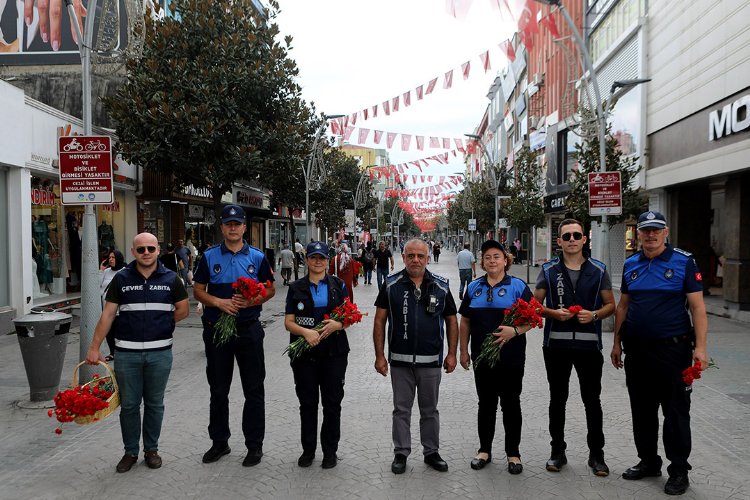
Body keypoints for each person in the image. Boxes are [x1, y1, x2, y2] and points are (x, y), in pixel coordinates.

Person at [611, 211, 708, 496]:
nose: (650, 236)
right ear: (638, 234)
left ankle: (678, 470)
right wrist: (617, 343)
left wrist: (700, 348)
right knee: (641, 410)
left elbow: (698, 308)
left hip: (673, 351)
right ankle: (648, 462)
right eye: (645, 231)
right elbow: (623, 307)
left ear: (665, 232)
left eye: (656, 230)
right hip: (638, 351)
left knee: (675, 412)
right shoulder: (631, 264)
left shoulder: (684, 262)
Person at [85, 232, 189, 473]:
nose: (146, 253)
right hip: (126, 355)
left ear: (158, 250)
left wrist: (161, 324)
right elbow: (108, 314)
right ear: (133, 251)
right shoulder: (121, 279)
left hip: (160, 353)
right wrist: (93, 347)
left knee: (155, 404)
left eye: (151, 249)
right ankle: (130, 451)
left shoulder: (171, 279)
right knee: (130, 405)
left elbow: (183, 310)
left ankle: (151, 450)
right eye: (141, 249)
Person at [193, 204, 276, 467]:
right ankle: (220, 443)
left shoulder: (258, 257)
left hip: (249, 329)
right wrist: (219, 303)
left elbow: (271, 290)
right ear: (222, 227)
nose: (232, 228)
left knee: (254, 389)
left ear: (243, 227)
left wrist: (251, 302)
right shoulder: (207, 257)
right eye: (228, 224)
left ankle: (254, 446)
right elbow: (198, 290)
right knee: (218, 389)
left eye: (237, 224)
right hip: (217, 329)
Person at [533, 219, 616, 476]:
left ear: (584, 239)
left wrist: (594, 315)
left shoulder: (599, 270)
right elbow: (533, 305)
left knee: (592, 401)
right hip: (556, 345)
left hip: (589, 347)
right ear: (559, 241)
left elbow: (611, 305)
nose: (571, 240)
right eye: (566, 236)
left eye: (576, 235)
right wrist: (550, 313)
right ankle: (557, 451)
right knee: (557, 400)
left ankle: (597, 455)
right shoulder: (548, 270)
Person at [373, 239, 458, 474]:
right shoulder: (391, 285)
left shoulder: (440, 286)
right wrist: (380, 356)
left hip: (431, 361)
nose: (416, 260)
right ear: (403, 257)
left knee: (430, 410)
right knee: (401, 409)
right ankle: (401, 452)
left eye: (420, 256)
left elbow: (451, 320)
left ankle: (431, 452)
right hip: (400, 361)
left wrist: (452, 353)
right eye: (411, 255)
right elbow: (380, 320)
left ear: (428, 258)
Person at [459, 240, 533, 475]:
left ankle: (513, 453)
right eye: (487, 257)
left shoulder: (518, 287)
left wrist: (516, 331)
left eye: (496, 256)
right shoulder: (473, 288)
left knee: (511, 403)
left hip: (511, 357)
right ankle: (484, 451)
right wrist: (463, 350)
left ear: (505, 260)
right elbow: (466, 321)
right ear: (482, 261)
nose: (492, 261)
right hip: (482, 357)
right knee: (486, 404)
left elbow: (533, 318)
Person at [284, 241, 350, 469]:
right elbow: (288, 322)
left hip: (334, 353)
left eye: (322, 258)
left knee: (332, 403)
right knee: (308, 403)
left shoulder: (338, 285)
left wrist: (337, 325)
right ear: (307, 260)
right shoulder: (295, 288)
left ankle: (330, 451)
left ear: (327, 260)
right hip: (305, 354)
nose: (318, 261)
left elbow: (349, 315)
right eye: (313, 257)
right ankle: (308, 450)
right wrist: (306, 333)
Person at [99, 249, 125, 362]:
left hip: (120, 309)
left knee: (119, 331)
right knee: (108, 331)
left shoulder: (125, 271)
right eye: (109, 258)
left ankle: (121, 352)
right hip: (106, 307)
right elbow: (99, 286)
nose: (111, 259)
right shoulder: (106, 271)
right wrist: (101, 270)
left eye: (113, 257)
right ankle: (112, 352)